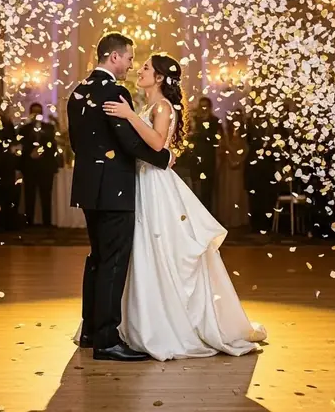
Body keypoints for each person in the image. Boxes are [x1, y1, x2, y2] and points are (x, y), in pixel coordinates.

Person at [100, 52, 266, 361]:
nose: (140, 71)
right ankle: (139, 321)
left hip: (155, 185)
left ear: (160, 77)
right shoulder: (148, 106)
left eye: (146, 68)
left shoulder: (160, 107)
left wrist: (130, 116)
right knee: (143, 249)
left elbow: (157, 144)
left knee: (160, 247)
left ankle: (169, 325)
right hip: (142, 181)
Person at [67, 33, 173, 362]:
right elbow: (128, 142)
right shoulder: (114, 92)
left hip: (88, 187)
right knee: (113, 263)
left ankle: (89, 330)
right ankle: (107, 340)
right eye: (128, 58)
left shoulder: (78, 92)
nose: (130, 64)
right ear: (114, 57)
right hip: (115, 189)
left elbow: (76, 143)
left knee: (96, 259)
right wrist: (163, 158)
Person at [18, 103, 59, 227]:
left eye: (39, 112)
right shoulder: (24, 129)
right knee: (29, 195)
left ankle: (47, 222)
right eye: (34, 112)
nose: (37, 114)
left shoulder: (49, 128)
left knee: (46, 195)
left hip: (45, 166)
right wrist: (30, 153)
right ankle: (28, 222)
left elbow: (52, 145)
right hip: (29, 166)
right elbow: (21, 145)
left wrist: (40, 151)